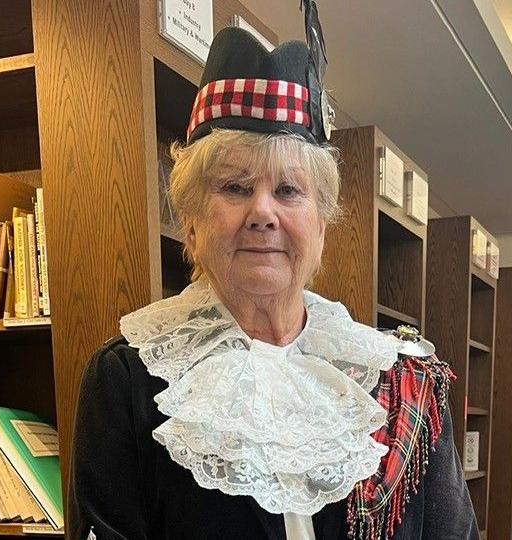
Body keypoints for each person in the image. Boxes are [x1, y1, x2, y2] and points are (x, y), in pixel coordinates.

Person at [66, 6, 480, 540]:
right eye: (235, 187)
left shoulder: (406, 383)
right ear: (190, 222)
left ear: (322, 225)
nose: (263, 212)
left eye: (288, 191)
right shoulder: (126, 384)